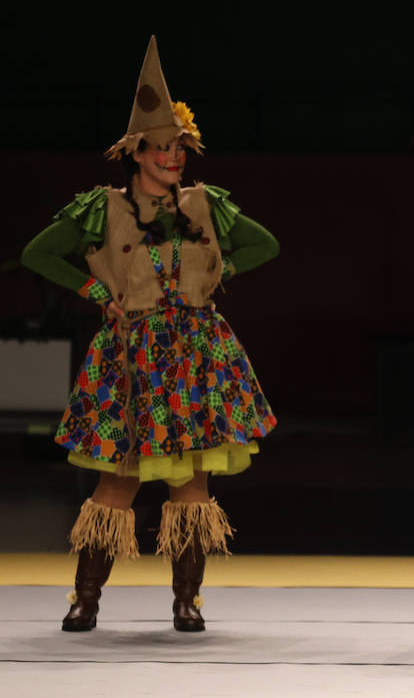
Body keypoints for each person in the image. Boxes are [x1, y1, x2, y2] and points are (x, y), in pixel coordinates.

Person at [20, 36, 278, 632]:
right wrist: (95, 292)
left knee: (191, 481)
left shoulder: (204, 205)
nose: (173, 157)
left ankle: (187, 601)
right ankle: (86, 598)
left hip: (194, 354)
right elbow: (38, 253)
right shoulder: (103, 208)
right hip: (131, 353)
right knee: (117, 480)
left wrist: (217, 272)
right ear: (136, 152)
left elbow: (265, 244)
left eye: (179, 147)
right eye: (162, 148)